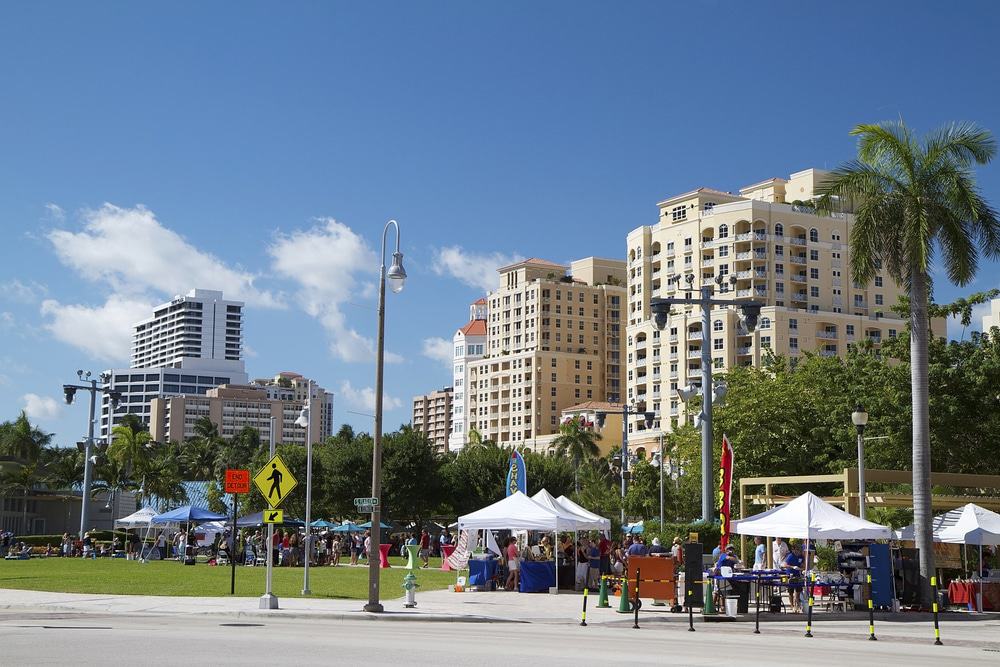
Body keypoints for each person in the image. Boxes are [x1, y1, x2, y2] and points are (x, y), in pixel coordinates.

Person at [782, 542, 805, 613]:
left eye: (799, 550)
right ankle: (792, 605)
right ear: (794, 550)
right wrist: (792, 567)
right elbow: (785, 565)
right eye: (797, 550)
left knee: (798, 592)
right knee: (790, 592)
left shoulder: (801, 556)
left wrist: (801, 568)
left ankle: (797, 605)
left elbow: (802, 564)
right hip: (790, 575)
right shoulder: (790, 556)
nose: (798, 552)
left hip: (798, 575)